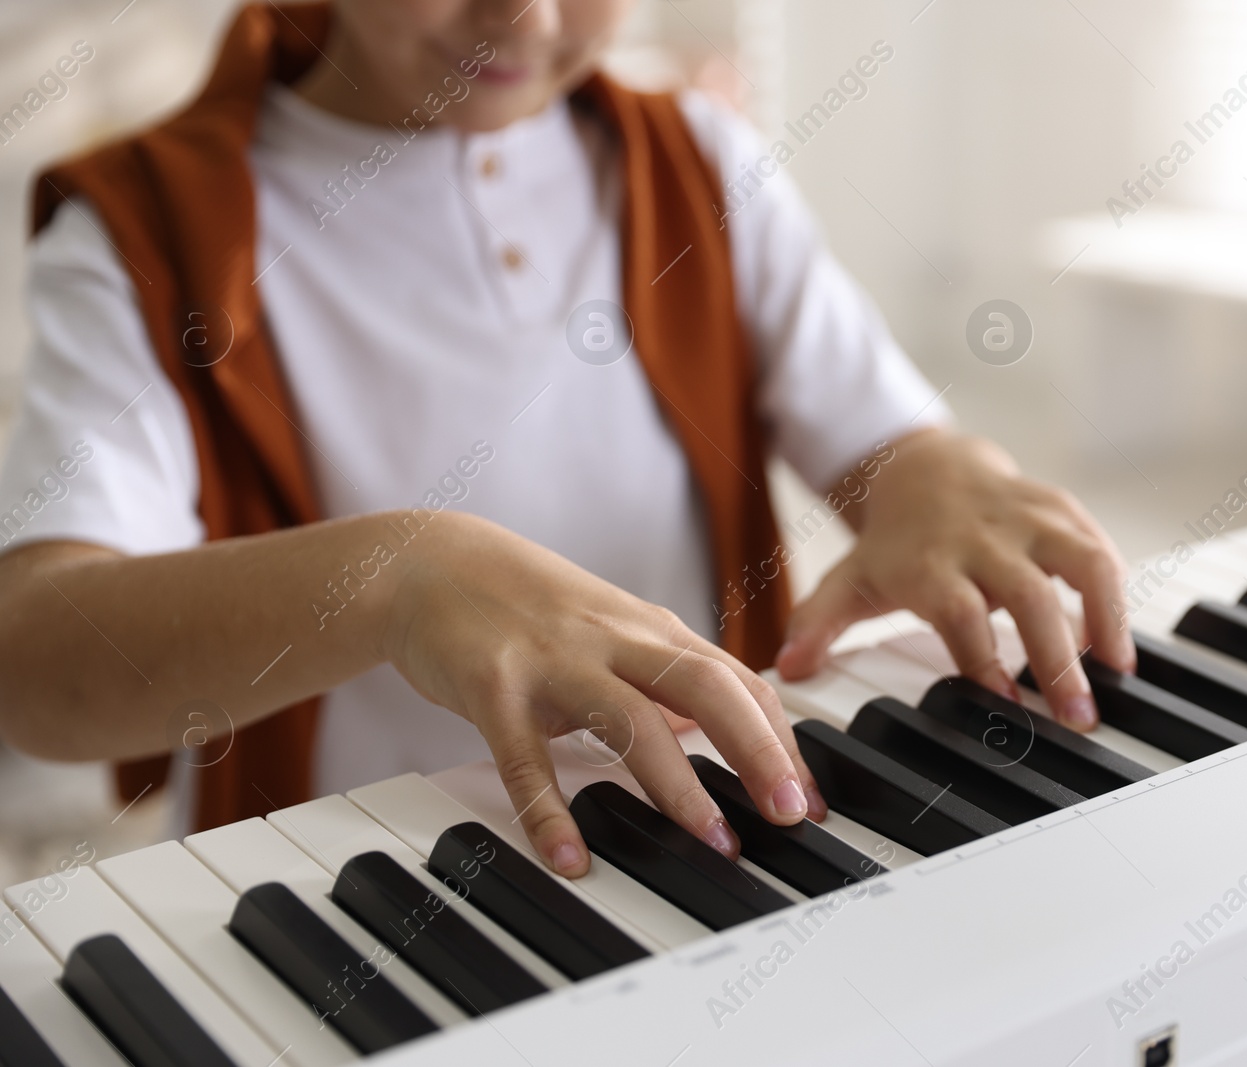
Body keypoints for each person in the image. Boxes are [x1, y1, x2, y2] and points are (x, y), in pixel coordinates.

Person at [0, 0, 1131, 880]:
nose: (529, 20)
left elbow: (885, 440)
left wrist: (936, 474)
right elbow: (34, 659)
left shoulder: (695, 158)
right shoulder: (142, 226)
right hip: (353, 901)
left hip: (700, 851)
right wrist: (399, 574)